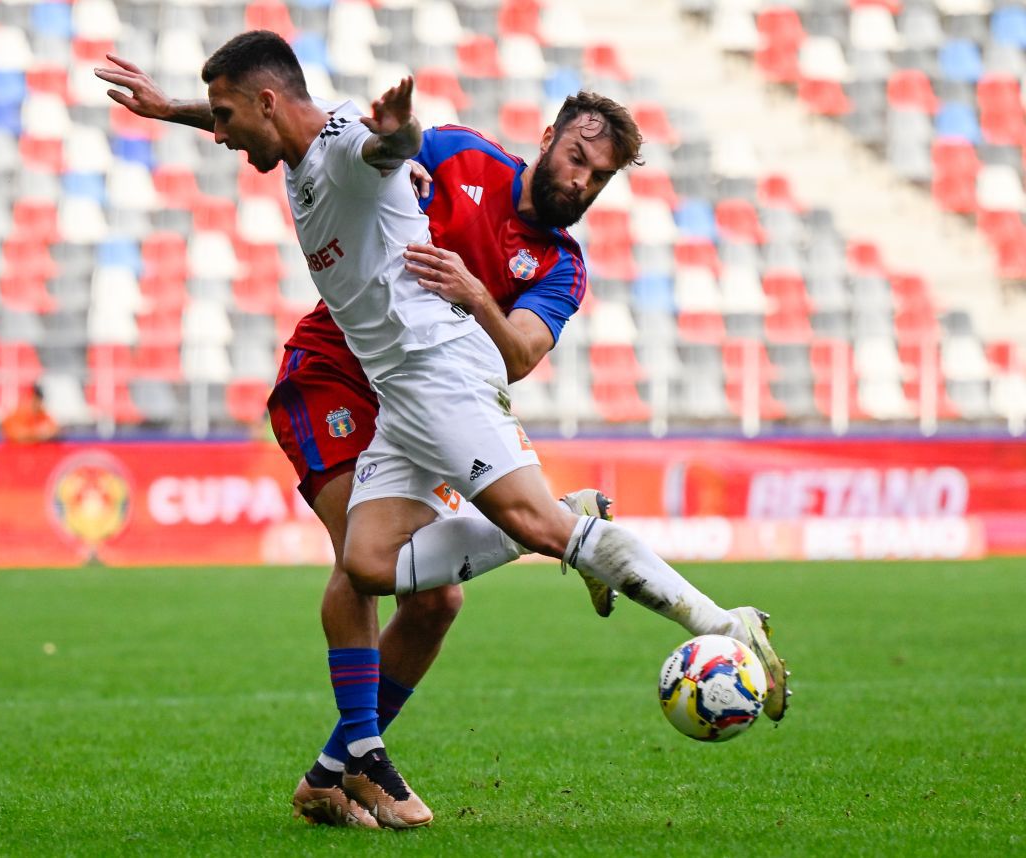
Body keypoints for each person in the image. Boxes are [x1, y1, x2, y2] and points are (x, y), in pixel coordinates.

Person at [97, 31, 790, 829]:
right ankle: (352, 758)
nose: (582, 180)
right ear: (548, 139)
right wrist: (178, 111)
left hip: (435, 373)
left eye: (599, 177)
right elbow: (342, 135)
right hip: (346, 372)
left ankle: (713, 619)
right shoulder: (438, 154)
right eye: (577, 158)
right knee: (367, 564)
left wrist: (411, 171)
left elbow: (384, 158)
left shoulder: (558, 263)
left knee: (460, 579)